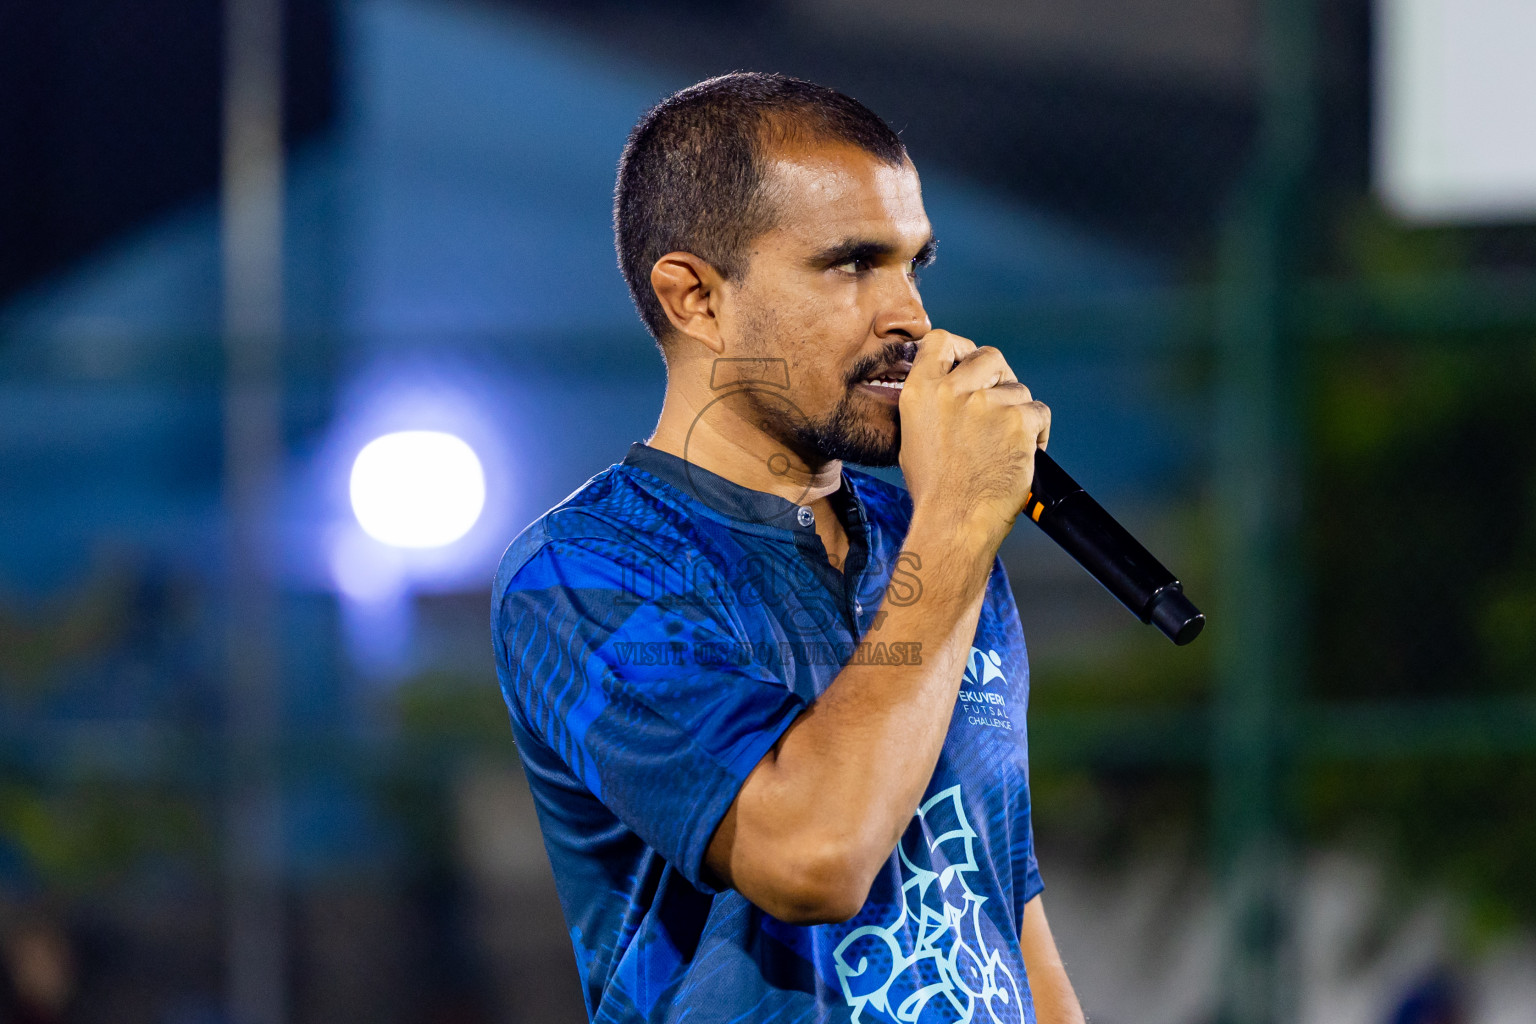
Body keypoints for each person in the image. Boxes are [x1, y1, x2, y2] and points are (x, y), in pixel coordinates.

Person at [491, 71, 1084, 1024]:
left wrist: (949, 533)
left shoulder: (928, 536)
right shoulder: (585, 572)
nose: (911, 320)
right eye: (852, 264)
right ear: (696, 299)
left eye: (913, 266)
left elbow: (1006, 924)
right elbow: (812, 857)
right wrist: (959, 526)